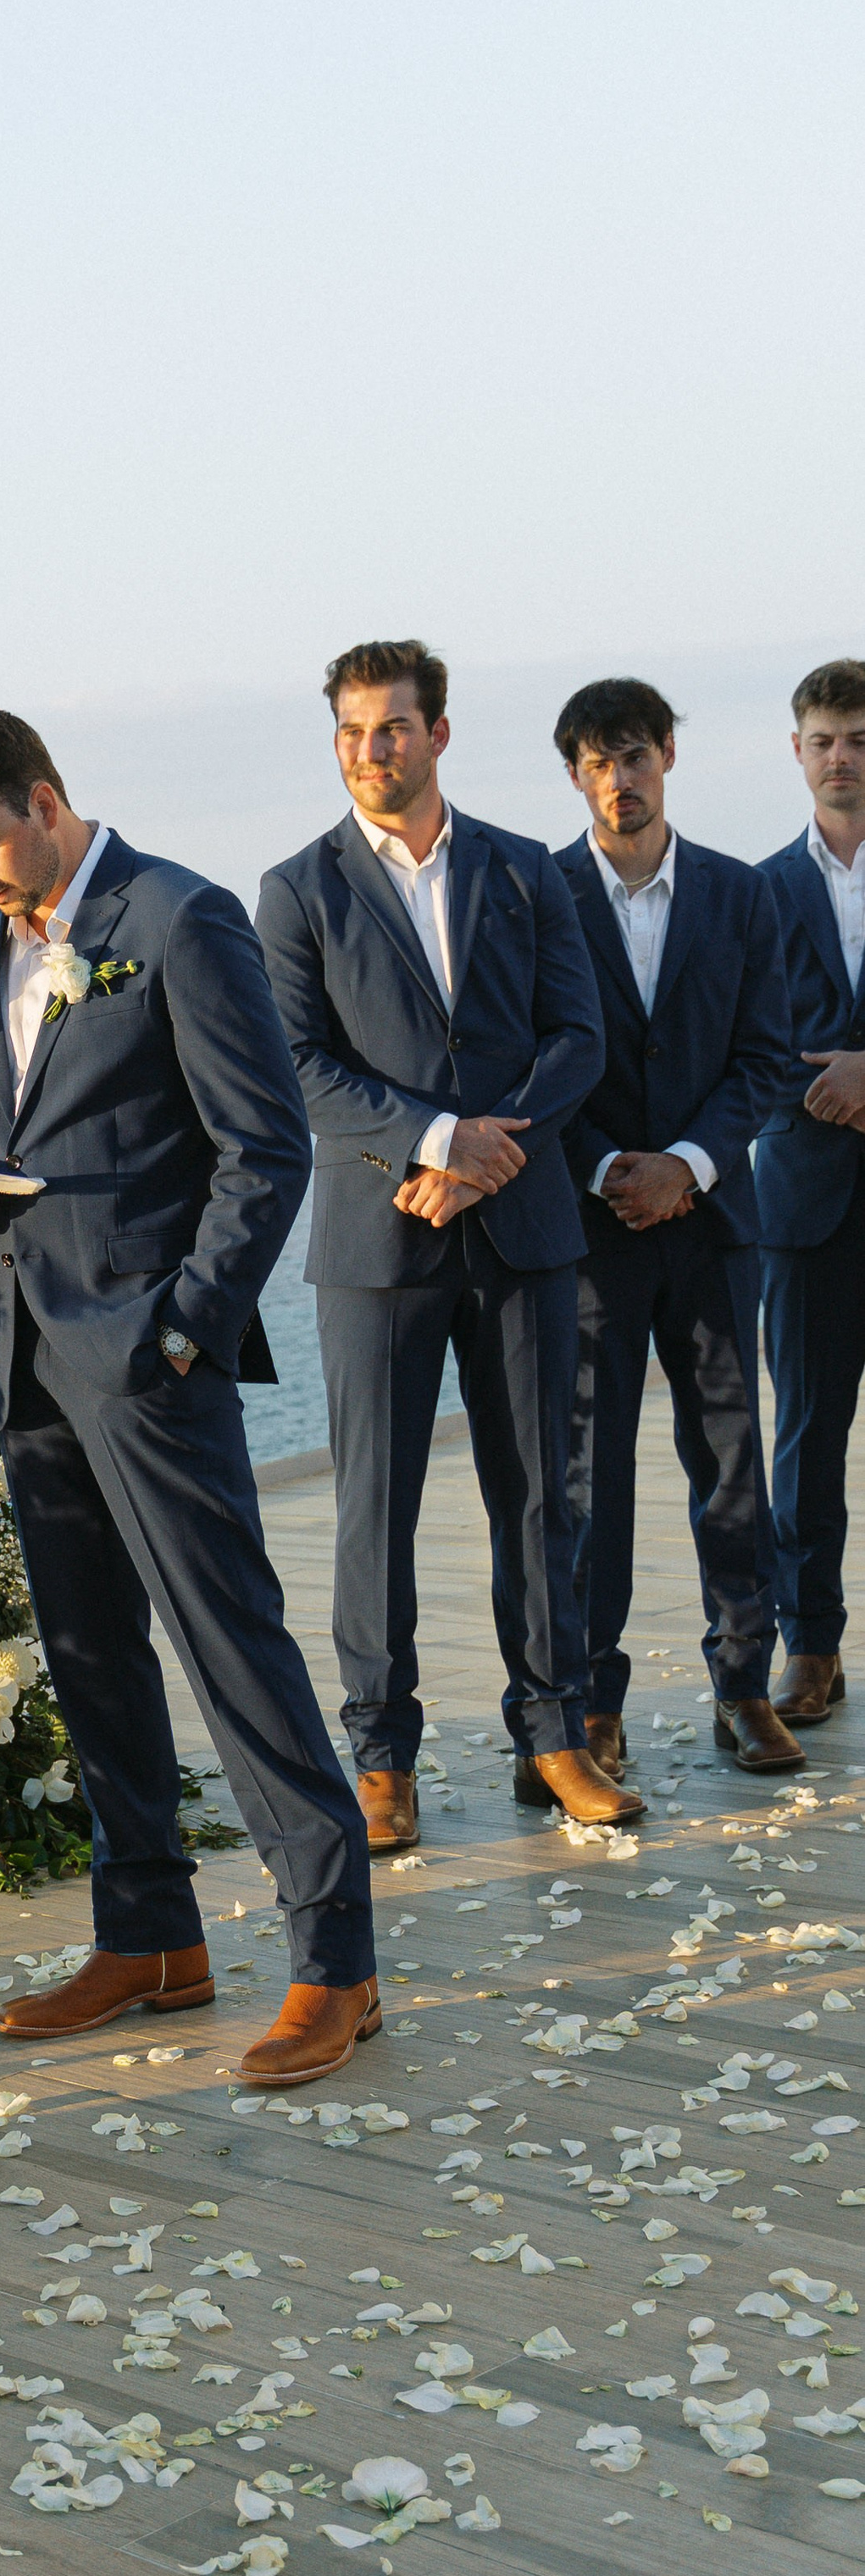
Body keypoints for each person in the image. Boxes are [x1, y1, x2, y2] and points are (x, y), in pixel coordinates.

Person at [0, 706, 378, 2090]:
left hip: (152, 1362)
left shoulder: (179, 919)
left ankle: (335, 1964)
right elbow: (1, 1143)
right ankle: (151, 1939)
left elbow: (264, 1148)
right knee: (92, 1660)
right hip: (30, 1358)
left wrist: (183, 1335)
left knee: (235, 1656)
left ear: (46, 800)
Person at [255, 640, 629, 1838]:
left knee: (541, 1499)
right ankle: (382, 1759)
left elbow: (580, 1037)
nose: (375, 749)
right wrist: (431, 1142)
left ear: (439, 735)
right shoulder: (296, 890)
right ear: (337, 746)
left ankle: (556, 1738)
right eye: (355, 731)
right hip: (379, 1239)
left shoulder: (528, 871)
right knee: (375, 1506)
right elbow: (298, 1064)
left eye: (397, 727)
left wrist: (488, 1153)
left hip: (522, 1227)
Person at [552, 679, 796, 1773]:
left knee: (733, 1461)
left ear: (667, 761)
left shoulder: (742, 897)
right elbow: (533, 1066)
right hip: (594, 1229)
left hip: (712, 1226)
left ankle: (745, 1685)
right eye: (600, 762)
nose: (622, 778)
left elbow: (763, 1062)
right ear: (575, 775)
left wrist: (688, 1168)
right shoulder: (541, 895)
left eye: (637, 755)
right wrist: (609, 1168)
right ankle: (593, 1703)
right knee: (591, 1473)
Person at [757, 659, 865, 1726]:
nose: (842, 757)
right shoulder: (755, 893)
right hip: (803, 1204)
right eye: (825, 738)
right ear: (797, 752)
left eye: (860, 738)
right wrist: (832, 1080)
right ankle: (811, 1646)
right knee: (806, 1437)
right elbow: (743, 1047)